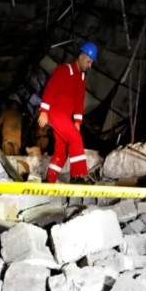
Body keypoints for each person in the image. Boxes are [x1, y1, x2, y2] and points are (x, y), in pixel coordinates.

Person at [37, 41, 97, 184]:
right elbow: (50, 89)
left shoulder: (81, 78)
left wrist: (77, 121)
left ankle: (49, 180)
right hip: (55, 113)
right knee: (75, 139)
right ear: (81, 56)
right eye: (88, 61)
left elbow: (79, 101)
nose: (89, 65)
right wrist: (44, 111)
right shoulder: (64, 70)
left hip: (65, 117)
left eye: (91, 63)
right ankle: (77, 176)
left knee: (62, 150)